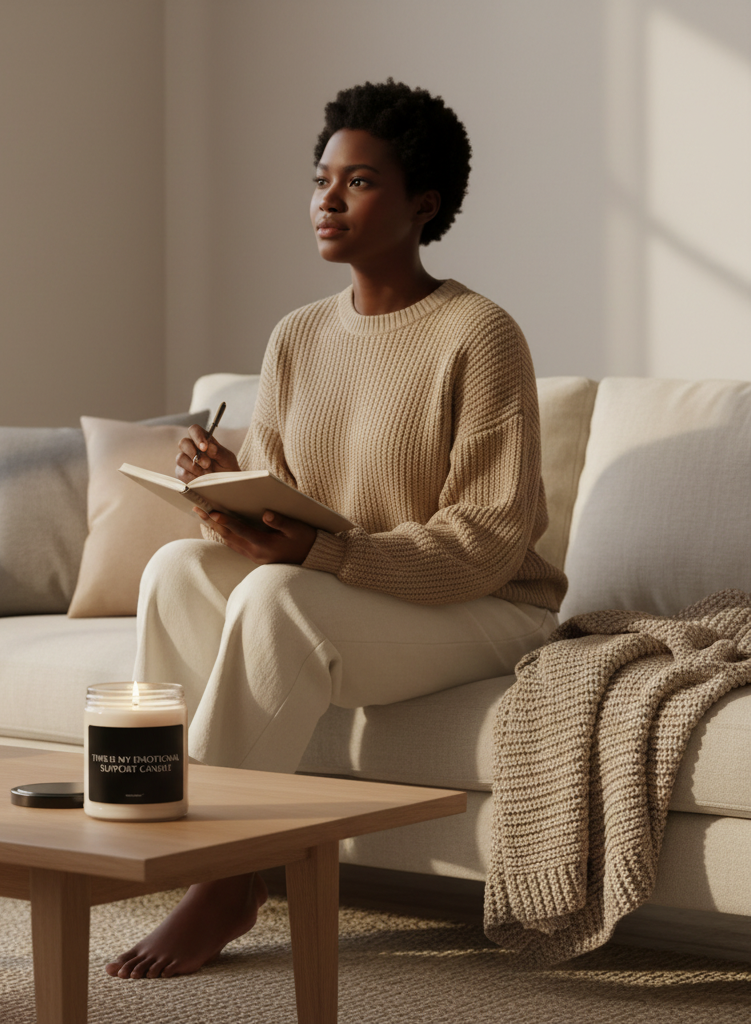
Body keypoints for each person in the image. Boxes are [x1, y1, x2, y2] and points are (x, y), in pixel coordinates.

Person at [106, 79, 567, 980]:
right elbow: (290, 506)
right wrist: (221, 496)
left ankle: (229, 876)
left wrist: (317, 552)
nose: (327, 200)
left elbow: (489, 536)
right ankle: (152, 820)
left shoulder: (480, 335)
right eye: (321, 179)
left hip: (485, 608)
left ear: (422, 204)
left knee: (281, 598)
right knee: (174, 569)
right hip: (349, 594)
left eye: (358, 182)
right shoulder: (296, 338)